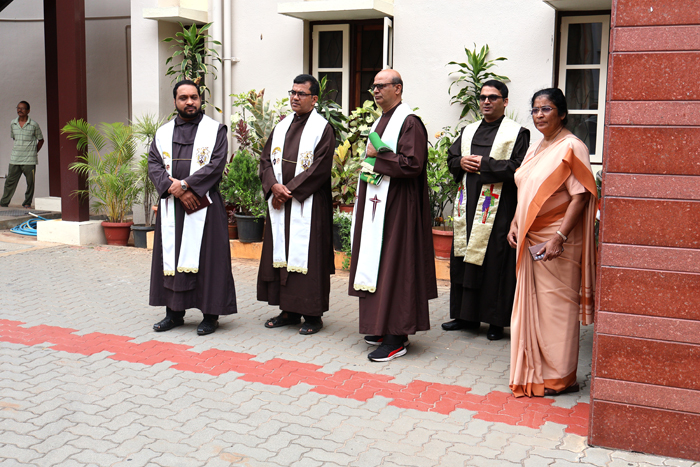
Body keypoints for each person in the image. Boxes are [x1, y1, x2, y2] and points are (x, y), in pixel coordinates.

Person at [507, 88, 597, 397]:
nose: (539, 115)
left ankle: (560, 378)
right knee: (533, 307)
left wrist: (559, 237)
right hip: (529, 237)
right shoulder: (535, 148)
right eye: (535, 110)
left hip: (556, 243)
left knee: (556, 311)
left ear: (562, 113)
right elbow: (526, 190)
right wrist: (515, 222)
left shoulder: (572, 147)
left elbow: (580, 196)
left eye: (546, 109)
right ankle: (535, 370)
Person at [348, 69, 437, 362]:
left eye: (381, 86)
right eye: (373, 86)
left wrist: (378, 155)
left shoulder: (409, 122)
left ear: (398, 88)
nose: (375, 91)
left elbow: (413, 164)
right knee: (380, 266)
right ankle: (382, 326)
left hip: (399, 208)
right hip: (380, 206)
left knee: (396, 267)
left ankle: (397, 337)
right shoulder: (382, 119)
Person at [442, 80, 530, 341]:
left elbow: (519, 168)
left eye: (493, 97)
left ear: (505, 101)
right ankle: (464, 317)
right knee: (464, 260)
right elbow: (451, 159)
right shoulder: (468, 131)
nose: (486, 102)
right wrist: (461, 161)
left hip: (498, 208)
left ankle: (495, 321)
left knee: (495, 262)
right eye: (482, 97)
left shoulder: (517, 133)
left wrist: (485, 164)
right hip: (467, 207)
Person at [148, 80, 237, 335]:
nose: (190, 102)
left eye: (194, 97)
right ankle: (174, 313)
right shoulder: (163, 133)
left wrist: (186, 186)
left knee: (210, 261)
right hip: (173, 207)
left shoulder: (215, 130)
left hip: (204, 205)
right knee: (173, 257)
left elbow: (216, 165)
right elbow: (154, 164)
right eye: (183, 97)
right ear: (175, 101)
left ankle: (210, 315)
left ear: (200, 99)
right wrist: (173, 188)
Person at [257, 74, 336, 335]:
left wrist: (287, 190)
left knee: (308, 259)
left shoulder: (323, 128)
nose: (295, 97)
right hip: (281, 203)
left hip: (307, 204)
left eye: (301, 93)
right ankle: (288, 311)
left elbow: (320, 167)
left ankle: (313, 315)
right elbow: (265, 160)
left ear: (314, 99)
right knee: (282, 256)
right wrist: (273, 186)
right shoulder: (281, 126)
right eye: (292, 92)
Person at [1, 101, 44, 208]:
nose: (20, 110)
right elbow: (14, 138)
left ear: (28, 111)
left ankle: (27, 203)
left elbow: (41, 140)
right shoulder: (13, 123)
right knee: (9, 182)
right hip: (15, 158)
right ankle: (3, 203)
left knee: (30, 183)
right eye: (18, 108)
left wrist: (33, 152)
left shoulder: (34, 125)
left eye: (23, 108)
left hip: (29, 160)